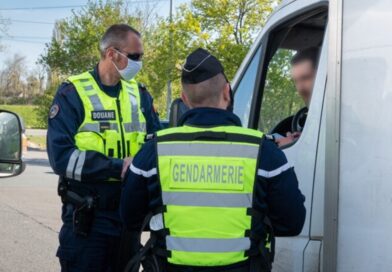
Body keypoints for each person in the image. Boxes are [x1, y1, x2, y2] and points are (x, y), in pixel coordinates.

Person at [120, 48, 306, 272]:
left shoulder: (153, 151)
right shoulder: (264, 151)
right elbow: (292, 222)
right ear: (227, 92)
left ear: (184, 99)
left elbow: (130, 218)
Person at [47, 24, 161, 271]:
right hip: (89, 220)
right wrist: (117, 167)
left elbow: (155, 144)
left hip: (129, 218)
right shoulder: (73, 93)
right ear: (112, 54)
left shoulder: (139, 94)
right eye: (135, 56)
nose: (139, 63)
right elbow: (61, 158)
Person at [275, 48, 319, 147]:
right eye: (296, 81)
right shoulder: (317, 114)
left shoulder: (338, 114)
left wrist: (291, 145)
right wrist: (301, 138)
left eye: (306, 78)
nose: (300, 88)